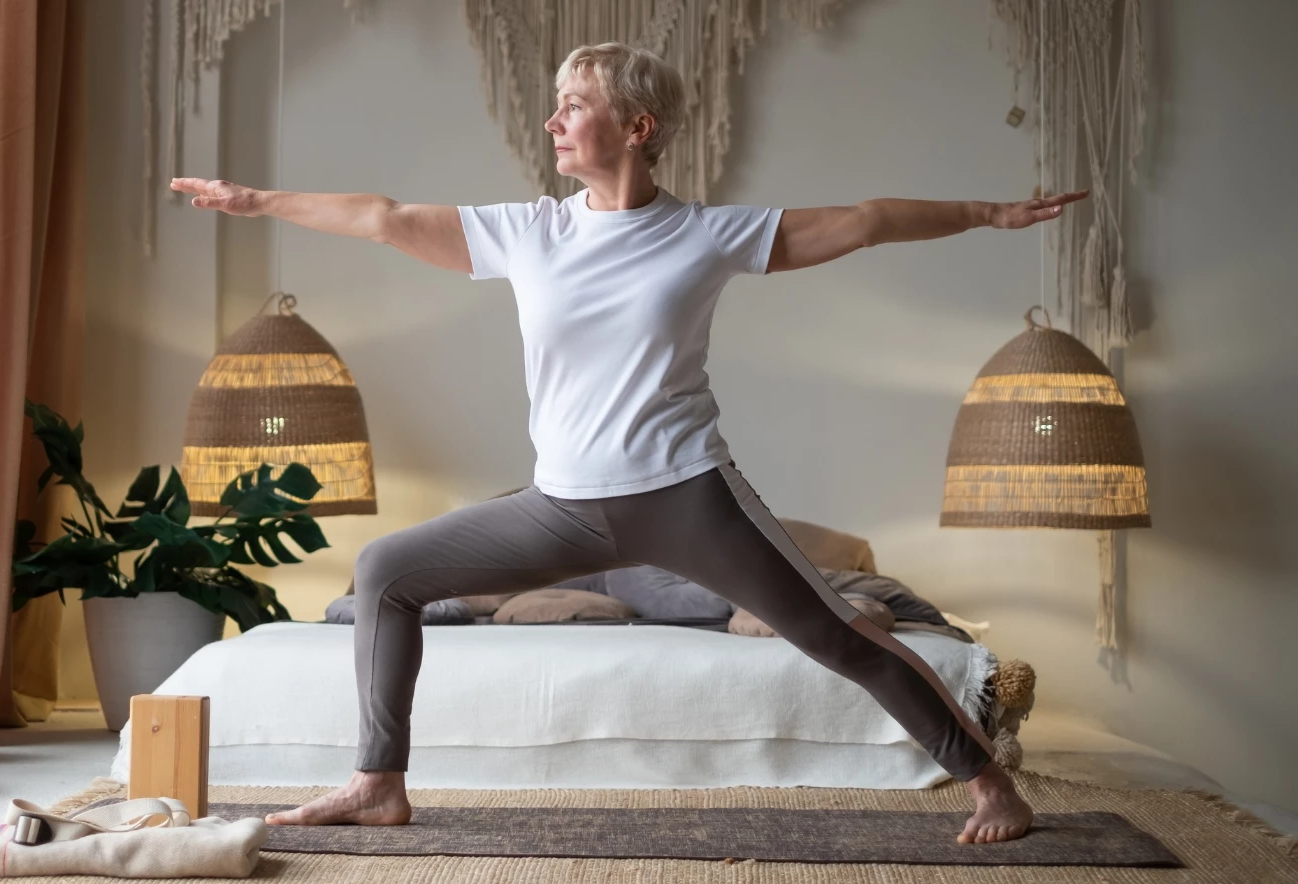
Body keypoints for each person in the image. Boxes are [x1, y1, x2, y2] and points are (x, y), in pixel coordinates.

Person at [173, 41, 1083, 845]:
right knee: (386, 572)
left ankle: (989, 780)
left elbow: (869, 218)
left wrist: (987, 213)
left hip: (691, 496)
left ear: (638, 127)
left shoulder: (704, 235)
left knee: (841, 637)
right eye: (557, 104)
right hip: (560, 508)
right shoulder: (529, 232)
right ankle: (378, 782)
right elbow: (381, 214)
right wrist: (256, 202)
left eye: (574, 105)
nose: (552, 121)